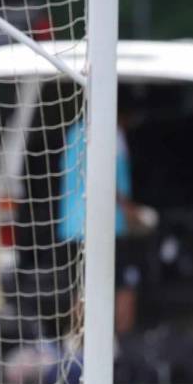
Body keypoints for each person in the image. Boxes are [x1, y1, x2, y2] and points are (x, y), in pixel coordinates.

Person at [57, 98, 156, 335]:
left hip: (73, 225)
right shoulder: (109, 134)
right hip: (106, 225)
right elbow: (104, 177)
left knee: (82, 287)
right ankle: (121, 344)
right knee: (125, 283)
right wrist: (130, 210)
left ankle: (79, 344)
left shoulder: (75, 132)